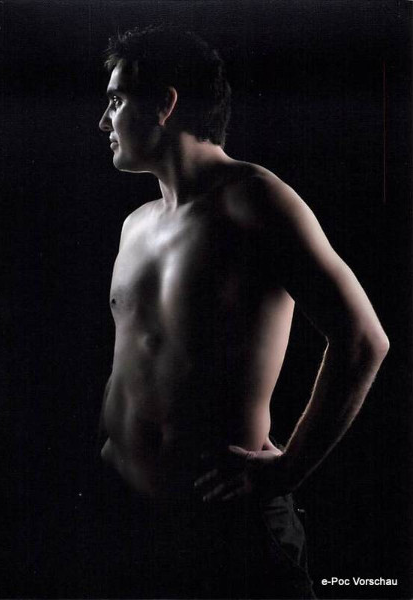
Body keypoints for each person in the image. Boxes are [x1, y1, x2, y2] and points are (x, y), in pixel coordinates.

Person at [97, 25, 389, 599]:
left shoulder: (252, 199)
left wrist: (288, 470)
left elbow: (362, 340)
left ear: (166, 104)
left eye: (116, 100)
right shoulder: (136, 225)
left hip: (223, 527)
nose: (104, 121)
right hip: (126, 519)